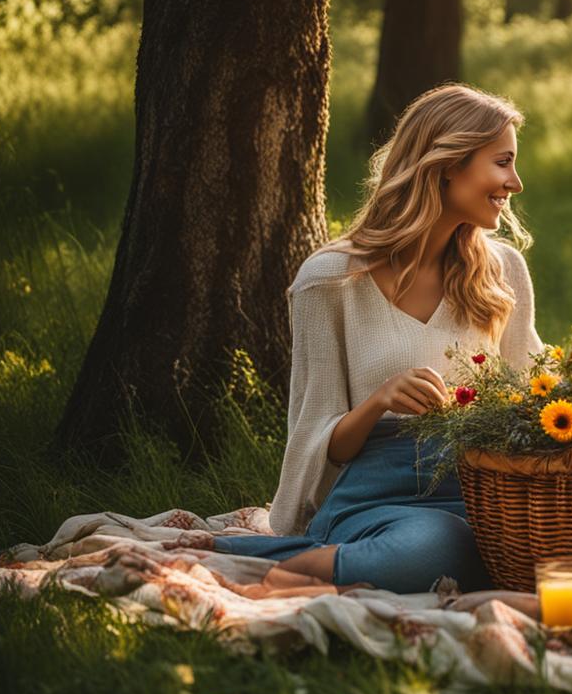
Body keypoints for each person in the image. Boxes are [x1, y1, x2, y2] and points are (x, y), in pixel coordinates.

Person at [213, 84, 545, 596]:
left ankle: (274, 561)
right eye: (502, 162)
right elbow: (317, 435)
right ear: (448, 164)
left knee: (535, 549)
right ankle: (297, 569)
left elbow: (533, 393)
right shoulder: (330, 280)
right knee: (439, 546)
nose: (515, 183)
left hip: (486, 489)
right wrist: (379, 402)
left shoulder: (503, 273)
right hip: (379, 497)